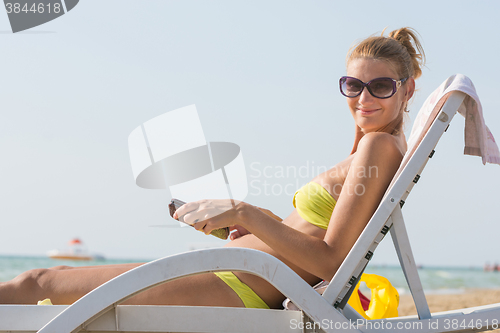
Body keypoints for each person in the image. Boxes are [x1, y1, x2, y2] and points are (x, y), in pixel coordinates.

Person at [0, 27, 425, 310]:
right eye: (353, 85)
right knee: (50, 280)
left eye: (381, 86)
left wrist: (244, 212)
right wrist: (249, 227)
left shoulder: (378, 146)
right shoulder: (371, 147)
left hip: (239, 283)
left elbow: (332, 263)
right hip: (235, 270)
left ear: (406, 89)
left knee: (37, 285)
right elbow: (313, 238)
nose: (363, 97)